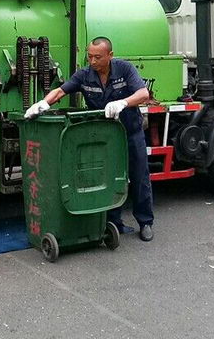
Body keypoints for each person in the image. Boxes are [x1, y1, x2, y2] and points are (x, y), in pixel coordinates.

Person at [24, 36, 155, 241]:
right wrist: (43, 104)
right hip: (105, 139)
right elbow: (61, 91)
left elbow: (143, 94)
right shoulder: (85, 75)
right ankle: (113, 223)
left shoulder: (125, 69)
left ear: (110, 56)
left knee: (139, 177)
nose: (93, 61)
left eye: (98, 57)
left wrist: (123, 102)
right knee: (108, 178)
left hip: (130, 133)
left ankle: (145, 222)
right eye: (90, 56)